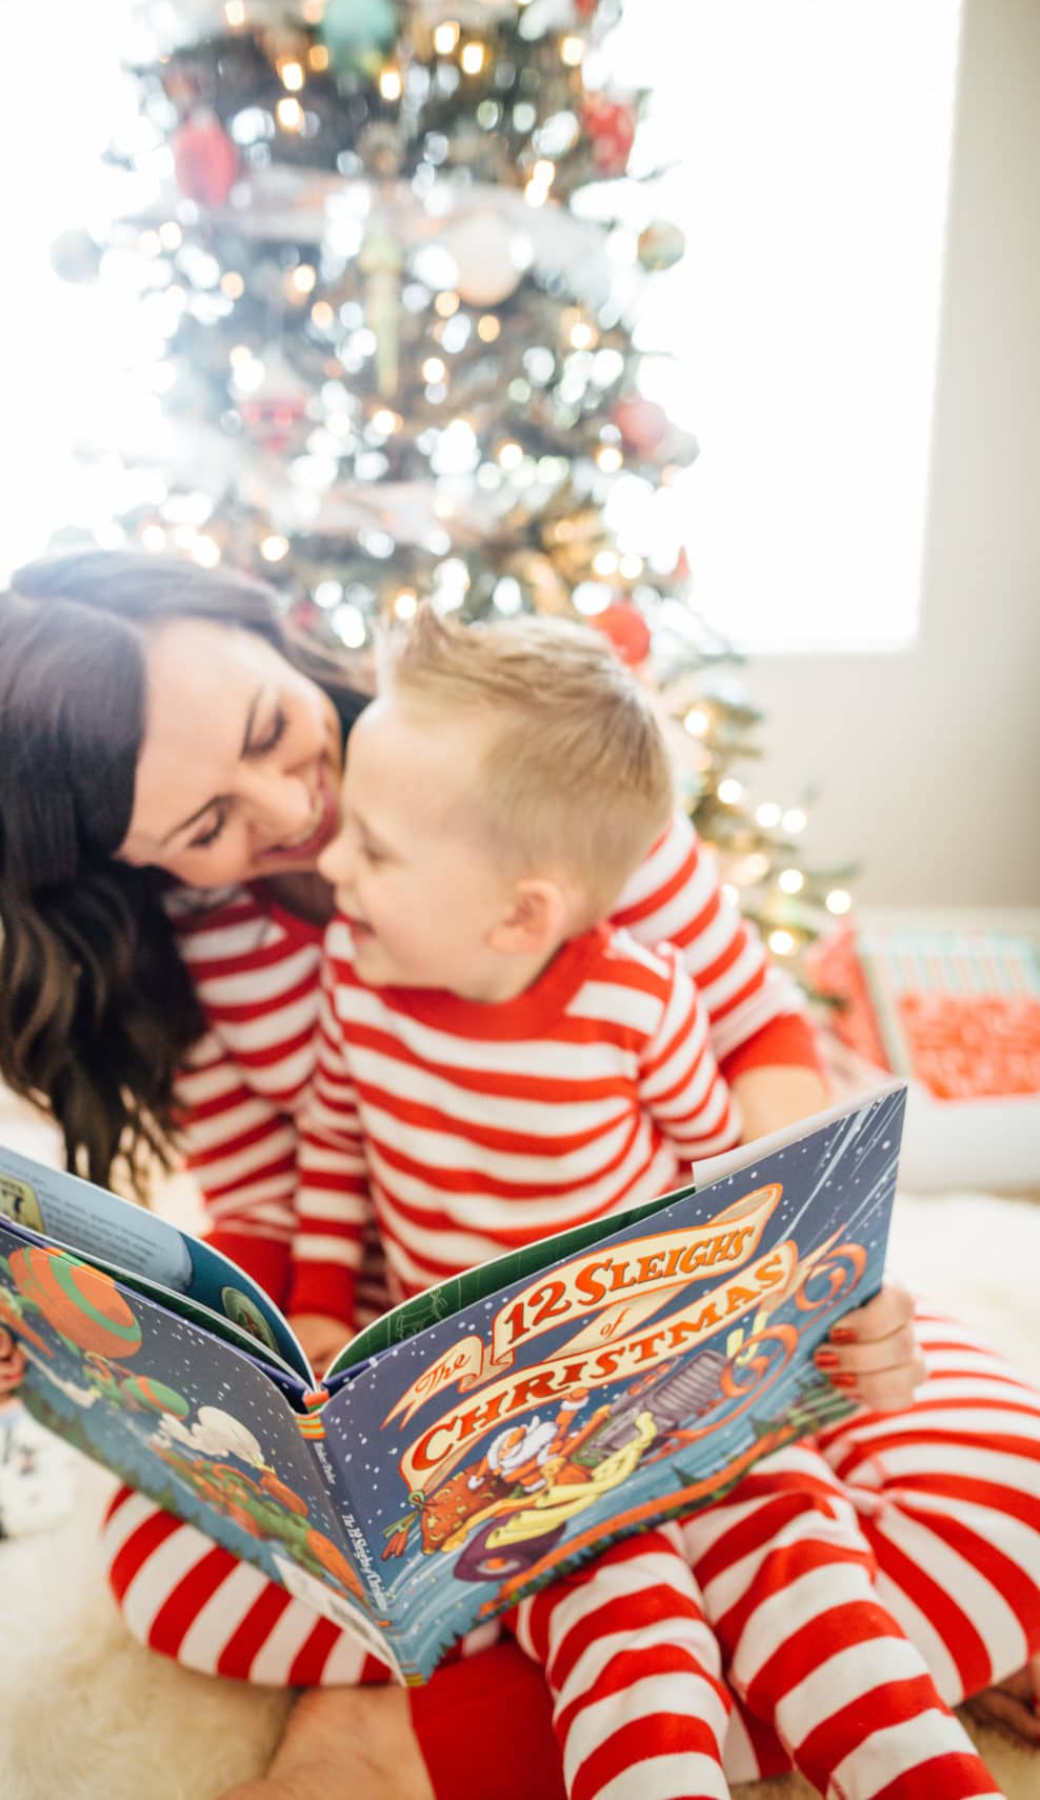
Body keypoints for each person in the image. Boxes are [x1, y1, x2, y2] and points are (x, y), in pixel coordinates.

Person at [0, 551, 1040, 1800]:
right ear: (137, 864)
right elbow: (270, 1211)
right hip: (425, 1360)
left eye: (268, 730)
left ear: (267, 627)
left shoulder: (516, 763)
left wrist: (817, 1272)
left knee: (1006, 1498)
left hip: (658, 1289)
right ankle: (760, 1662)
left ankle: (406, 1732)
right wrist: (38, 1331)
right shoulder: (199, 947)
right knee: (160, 1572)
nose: (290, 814)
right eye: (204, 828)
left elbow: (758, 1035)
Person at [280, 606, 1013, 1800]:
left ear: (521, 912)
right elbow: (330, 1147)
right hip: (514, 1442)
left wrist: (760, 1325)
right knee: (633, 1664)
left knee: (824, 1615)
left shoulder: (639, 997)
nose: (331, 867)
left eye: (370, 847)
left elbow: (729, 1181)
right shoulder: (352, 979)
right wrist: (316, 1308)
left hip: (684, 1384)